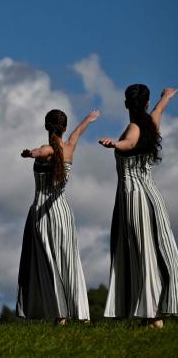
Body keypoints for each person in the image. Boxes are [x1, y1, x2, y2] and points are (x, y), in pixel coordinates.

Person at [99, 85, 178, 328]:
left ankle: (154, 315)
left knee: (141, 251)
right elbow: (159, 109)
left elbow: (130, 143)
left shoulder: (134, 128)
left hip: (133, 196)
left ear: (126, 105)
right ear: (146, 104)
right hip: (151, 194)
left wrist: (115, 144)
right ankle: (149, 313)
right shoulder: (152, 122)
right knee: (152, 249)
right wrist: (166, 97)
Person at [16, 109, 99, 324]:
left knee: (49, 262)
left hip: (43, 212)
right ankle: (81, 315)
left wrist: (30, 154)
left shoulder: (47, 149)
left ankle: (59, 315)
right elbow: (77, 132)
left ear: (46, 126)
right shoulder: (69, 147)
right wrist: (87, 120)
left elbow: (40, 151)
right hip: (63, 212)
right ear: (64, 128)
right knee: (69, 261)